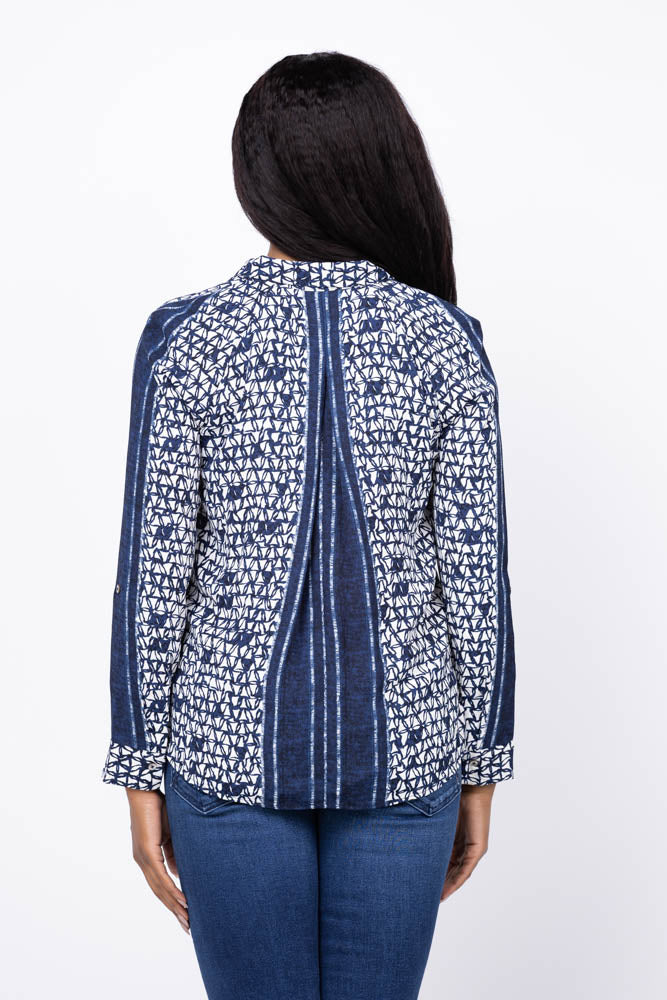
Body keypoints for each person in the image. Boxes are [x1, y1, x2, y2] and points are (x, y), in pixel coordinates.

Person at [102, 50, 517, 1000]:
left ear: (254, 177)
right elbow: (475, 583)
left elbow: (153, 577)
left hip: (224, 754)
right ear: (382, 166)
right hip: (408, 756)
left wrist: (138, 770)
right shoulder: (444, 341)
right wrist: (482, 767)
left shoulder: (188, 338)